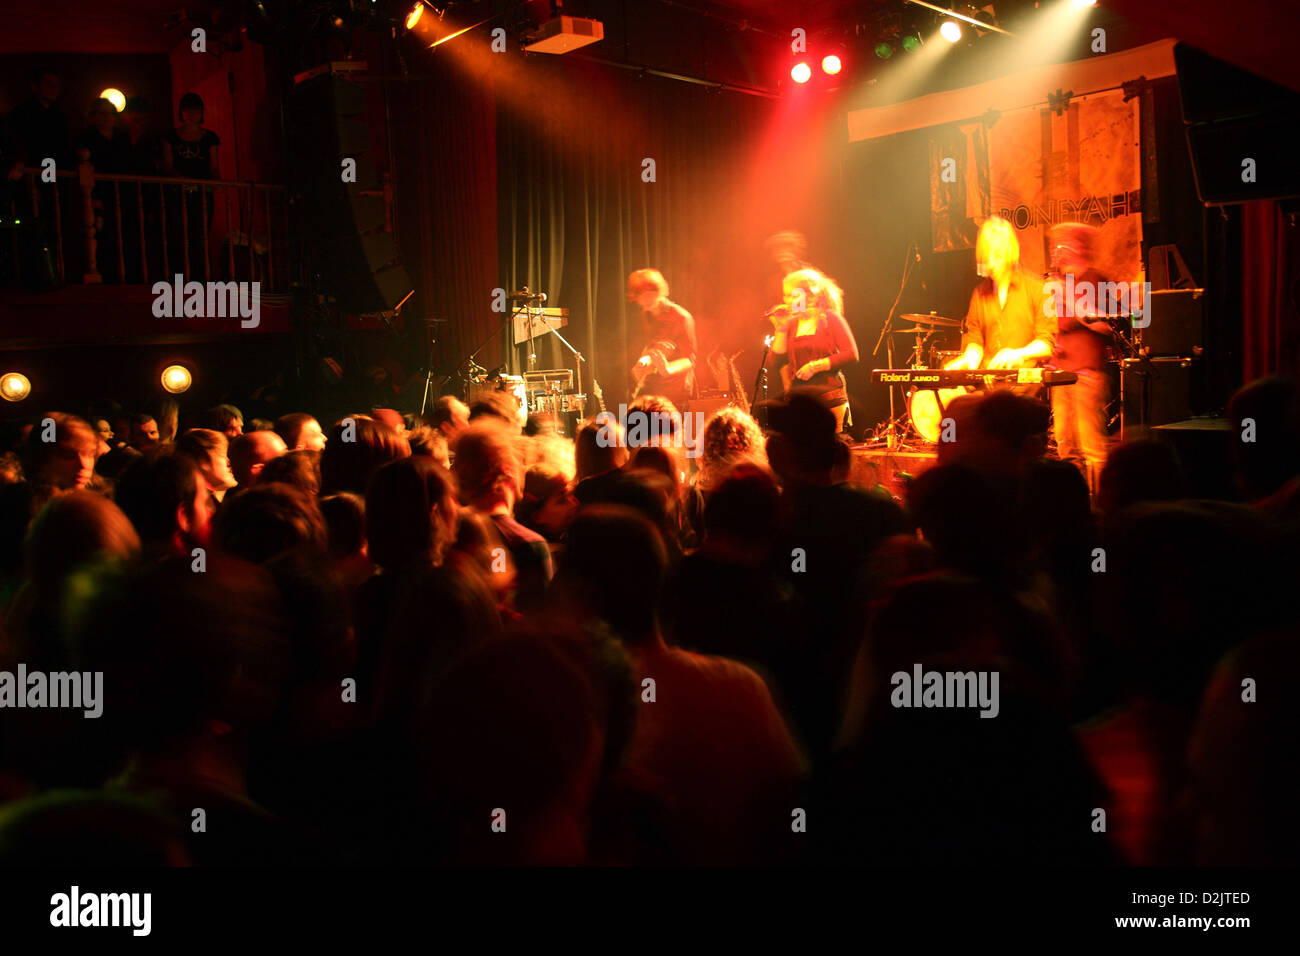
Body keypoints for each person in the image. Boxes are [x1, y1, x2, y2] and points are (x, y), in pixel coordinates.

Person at [946, 217, 1055, 392]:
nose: (991, 261)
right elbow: (975, 343)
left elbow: (1046, 344)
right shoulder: (979, 295)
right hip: (988, 391)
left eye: (997, 254)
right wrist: (966, 363)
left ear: (1010, 252)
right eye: (987, 254)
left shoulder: (1038, 289)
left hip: (1025, 393)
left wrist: (1017, 353)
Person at [1046, 222, 1113, 493]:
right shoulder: (1064, 284)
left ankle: (1102, 507)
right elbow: (1061, 327)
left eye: (1064, 242)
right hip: (1063, 376)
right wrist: (1054, 349)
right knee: (1065, 445)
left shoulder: (1096, 279)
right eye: (1055, 244)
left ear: (1080, 246)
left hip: (1087, 373)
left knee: (1092, 447)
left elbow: (1104, 324)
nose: (1057, 249)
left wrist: (1066, 294)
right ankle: (1075, 507)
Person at [769, 268, 858, 431]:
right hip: (801, 401)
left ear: (811, 296)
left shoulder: (830, 318)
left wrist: (814, 367)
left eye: (793, 295)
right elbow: (775, 362)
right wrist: (781, 329)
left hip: (828, 400)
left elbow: (851, 354)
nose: (787, 300)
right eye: (785, 295)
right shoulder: (792, 324)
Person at [162, 93, 220, 279]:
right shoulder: (171, 136)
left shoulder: (210, 137)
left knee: (201, 235)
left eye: (196, 110)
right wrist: (184, 180)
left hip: (202, 193)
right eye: (188, 110)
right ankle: (180, 277)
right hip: (178, 193)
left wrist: (217, 183)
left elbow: (213, 166)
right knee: (179, 234)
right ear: (182, 112)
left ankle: (202, 277)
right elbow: (168, 166)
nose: (192, 114)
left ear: (202, 112)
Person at [627, 268, 697, 409]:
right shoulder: (645, 316)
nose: (645, 300)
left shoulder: (681, 317)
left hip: (677, 393)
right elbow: (651, 348)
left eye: (649, 294)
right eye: (641, 295)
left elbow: (690, 359)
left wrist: (668, 369)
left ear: (659, 292)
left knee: (675, 431)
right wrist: (643, 362)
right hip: (654, 391)